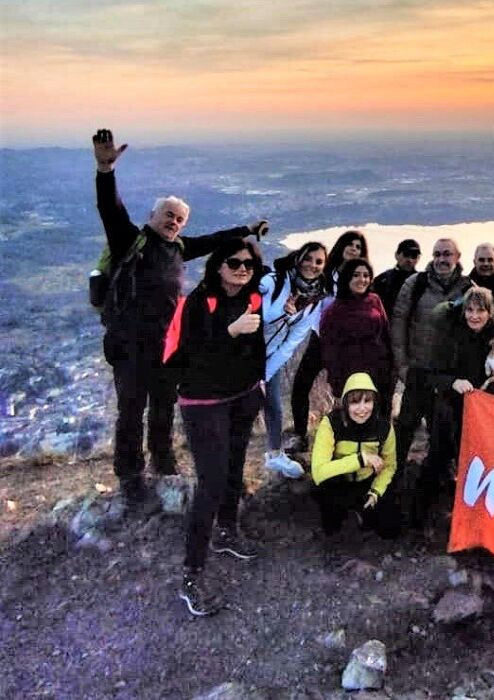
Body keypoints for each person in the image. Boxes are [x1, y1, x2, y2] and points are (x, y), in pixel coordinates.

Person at [92, 129, 267, 514]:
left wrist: (248, 232)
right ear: (153, 216)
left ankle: (162, 459)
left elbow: (214, 240)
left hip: (165, 344)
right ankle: (130, 476)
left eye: (180, 219)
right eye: (168, 215)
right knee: (131, 411)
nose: (174, 222)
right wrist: (106, 171)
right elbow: (111, 210)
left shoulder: (179, 247)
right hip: (129, 344)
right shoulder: (130, 241)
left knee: (163, 406)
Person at [162, 238, 266, 617]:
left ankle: (227, 531)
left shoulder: (252, 299)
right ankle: (192, 572)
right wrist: (229, 331)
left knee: (235, 468)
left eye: (248, 265)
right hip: (203, 402)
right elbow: (190, 353)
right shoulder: (199, 302)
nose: (242, 269)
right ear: (218, 266)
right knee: (211, 481)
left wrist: (258, 384)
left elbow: (257, 349)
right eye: (234, 262)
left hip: (242, 396)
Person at [422, 286, 494, 524]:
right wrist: (453, 382)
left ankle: (482, 521)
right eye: (470, 310)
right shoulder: (449, 333)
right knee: (439, 456)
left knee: (481, 464)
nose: (474, 316)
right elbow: (432, 373)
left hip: (486, 410)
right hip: (451, 406)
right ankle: (420, 518)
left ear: (489, 312)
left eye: (480, 311)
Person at [391, 238, 472, 471]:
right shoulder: (415, 284)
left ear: (457, 257)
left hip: (447, 377)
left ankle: (434, 478)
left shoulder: (467, 289)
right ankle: (393, 478)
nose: (441, 259)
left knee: (442, 431)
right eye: (437, 254)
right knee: (405, 427)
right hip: (417, 370)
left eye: (447, 254)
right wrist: (402, 366)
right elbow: (398, 324)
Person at [287, 230, 368, 454]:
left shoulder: (361, 277)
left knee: (344, 390)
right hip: (320, 338)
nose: (354, 249)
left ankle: (347, 437)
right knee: (301, 384)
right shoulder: (325, 274)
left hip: (345, 344)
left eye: (358, 247)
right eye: (350, 245)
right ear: (341, 247)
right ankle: (300, 435)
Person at [259, 242, 331, 478]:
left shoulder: (314, 299)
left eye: (319, 261)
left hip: (272, 358)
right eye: (308, 258)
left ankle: (275, 455)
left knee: (273, 406)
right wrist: (283, 313)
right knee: (240, 408)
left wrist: (265, 373)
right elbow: (261, 318)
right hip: (242, 353)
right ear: (298, 258)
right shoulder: (274, 282)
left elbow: (292, 342)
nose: (312, 265)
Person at [310, 372, 402, 541]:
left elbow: (390, 465)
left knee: (390, 529)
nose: (362, 408)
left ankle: (362, 511)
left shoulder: (384, 427)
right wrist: (361, 459)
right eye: (355, 402)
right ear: (345, 403)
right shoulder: (331, 423)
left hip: (367, 482)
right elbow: (318, 472)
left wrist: (376, 491)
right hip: (338, 482)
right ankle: (340, 514)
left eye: (367, 401)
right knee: (331, 528)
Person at [319, 258, 394, 407]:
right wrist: (337, 387)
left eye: (366, 275)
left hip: (379, 372)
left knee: (379, 420)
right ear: (347, 278)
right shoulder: (334, 311)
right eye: (356, 275)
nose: (362, 280)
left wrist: (390, 368)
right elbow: (329, 352)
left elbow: (385, 333)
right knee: (355, 418)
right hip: (350, 375)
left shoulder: (374, 300)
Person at [371, 238, 420, 315]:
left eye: (414, 256)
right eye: (406, 254)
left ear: (418, 258)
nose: (410, 260)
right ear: (396, 255)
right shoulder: (382, 280)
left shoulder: (422, 282)